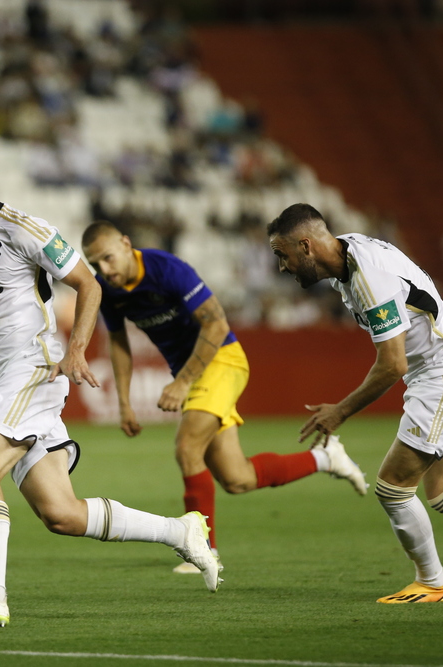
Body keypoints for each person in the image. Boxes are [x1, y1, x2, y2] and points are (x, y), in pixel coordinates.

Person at [0, 139, 221, 628]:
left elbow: (89, 283)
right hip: (3, 379)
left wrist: (75, 348)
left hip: (34, 368)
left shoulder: (24, 230)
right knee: (63, 514)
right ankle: (181, 532)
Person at [81, 221, 368, 574]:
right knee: (237, 478)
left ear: (126, 243)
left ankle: (202, 549)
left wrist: (183, 382)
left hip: (222, 359)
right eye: (95, 264)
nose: (104, 270)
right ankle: (325, 458)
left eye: (108, 258)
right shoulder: (107, 290)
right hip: (194, 374)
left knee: (187, 448)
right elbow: (119, 342)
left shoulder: (167, 269)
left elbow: (216, 325)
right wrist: (124, 403)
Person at [267, 203, 443, 603]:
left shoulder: (367, 278)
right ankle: (431, 581)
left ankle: (432, 582)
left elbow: (391, 364)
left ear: (305, 246)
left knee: (393, 488)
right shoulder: (350, 256)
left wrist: (339, 411)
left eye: (281, 254)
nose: (281, 266)